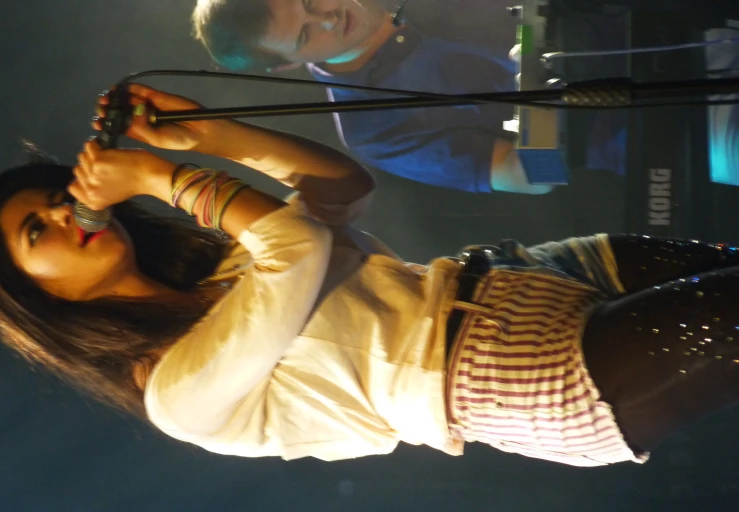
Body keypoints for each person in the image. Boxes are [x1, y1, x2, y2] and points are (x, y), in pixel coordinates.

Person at [2, 84, 739, 466]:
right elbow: (293, 247)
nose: (69, 216)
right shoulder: (173, 390)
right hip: (511, 376)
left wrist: (212, 136)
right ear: (36, 300)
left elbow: (341, 192)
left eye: (58, 200)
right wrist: (163, 173)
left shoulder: (224, 268)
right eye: (38, 232)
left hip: (530, 275)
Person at [192, 0, 630, 195]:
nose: (329, 16)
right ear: (285, 65)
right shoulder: (371, 126)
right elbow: (534, 178)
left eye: (310, 0)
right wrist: (534, 66)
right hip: (653, 129)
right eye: (306, 32)